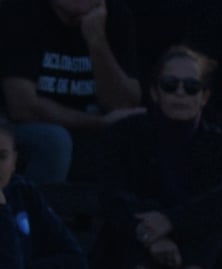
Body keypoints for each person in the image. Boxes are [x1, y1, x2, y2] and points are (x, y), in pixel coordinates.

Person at [92, 45, 222, 269]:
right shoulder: (122, 135)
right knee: (122, 226)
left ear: (204, 97)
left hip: (201, 252)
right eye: (169, 85)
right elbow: (111, 193)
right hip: (133, 248)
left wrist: (171, 221)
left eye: (191, 87)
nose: (180, 93)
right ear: (155, 92)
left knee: (216, 223)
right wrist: (151, 236)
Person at [0, 0, 145, 185]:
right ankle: (39, 211)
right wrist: (98, 122)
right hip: (23, 125)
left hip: (91, 125)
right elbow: (21, 106)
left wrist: (97, 41)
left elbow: (123, 105)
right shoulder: (21, 12)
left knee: (137, 133)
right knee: (54, 141)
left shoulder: (115, 14)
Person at [0, 113, 89, 269]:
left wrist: (22, 266)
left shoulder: (23, 193)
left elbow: (76, 262)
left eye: (2, 157)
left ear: (15, 161)